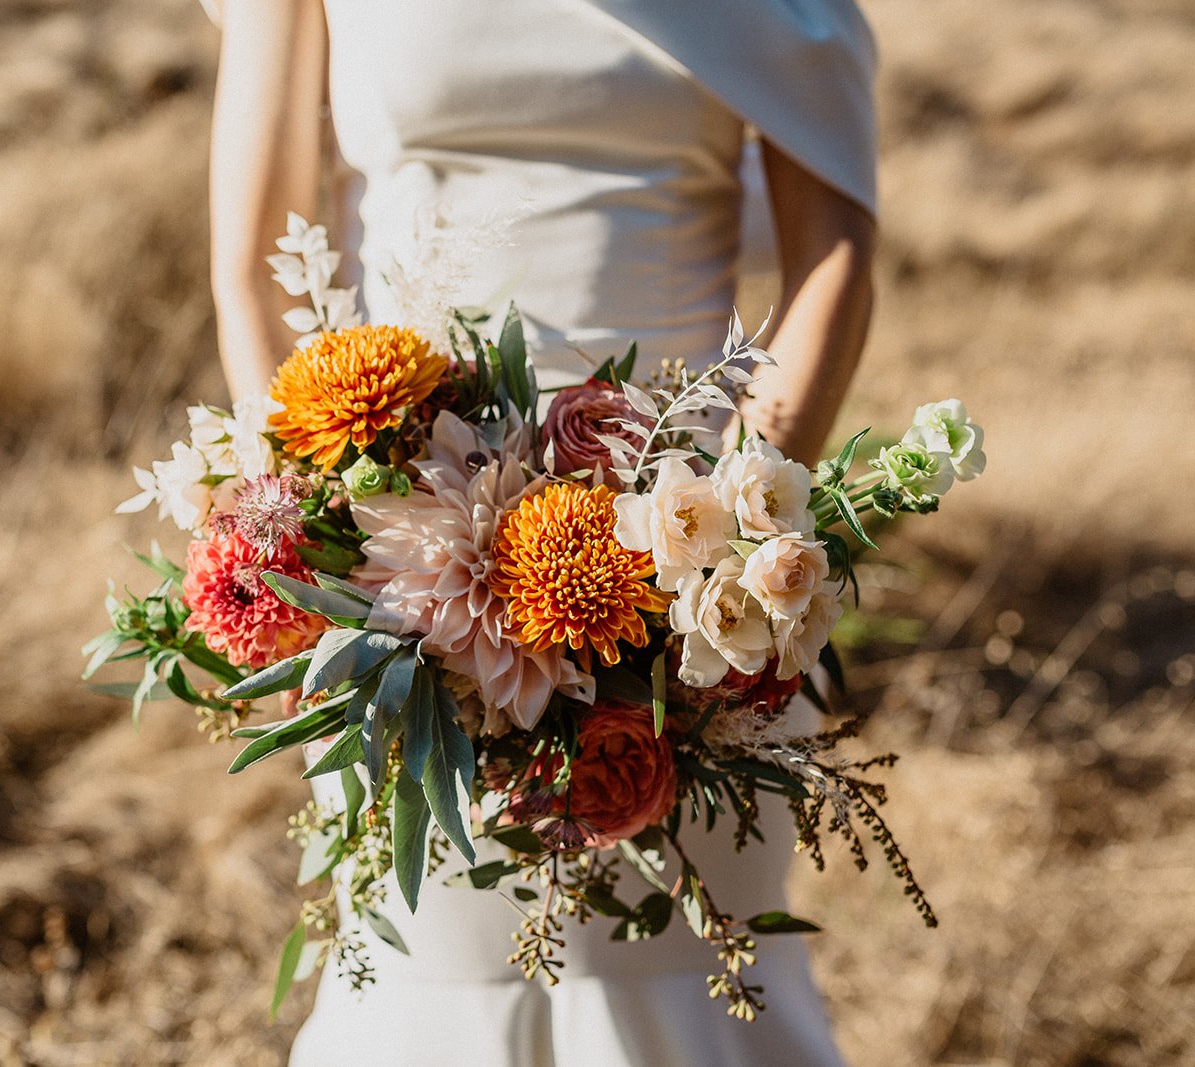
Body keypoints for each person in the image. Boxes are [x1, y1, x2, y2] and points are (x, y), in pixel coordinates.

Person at [208, 1, 878, 1063]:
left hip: (687, 572)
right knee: (433, 968)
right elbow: (254, 268)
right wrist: (313, 535)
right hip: (403, 570)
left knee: (684, 981)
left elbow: (833, 260)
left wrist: (721, 534)